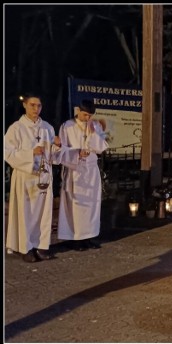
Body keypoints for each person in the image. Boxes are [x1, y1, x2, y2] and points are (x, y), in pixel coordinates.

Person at [4, 93, 63, 262]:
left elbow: (54, 157)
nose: (36, 109)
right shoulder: (16, 128)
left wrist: (57, 146)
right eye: (32, 105)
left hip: (43, 176)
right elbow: (7, 152)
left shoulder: (47, 128)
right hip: (25, 176)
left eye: (38, 106)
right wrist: (30, 153)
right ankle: (26, 248)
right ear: (25, 105)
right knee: (26, 213)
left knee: (43, 213)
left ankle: (42, 246)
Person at [57, 99, 109, 251]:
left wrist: (93, 133)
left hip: (91, 170)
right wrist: (77, 153)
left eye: (90, 115)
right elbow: (61, 150)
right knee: (75, 206)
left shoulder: (96, 126)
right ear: (78, 111)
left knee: (92, 204)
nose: (87, 118)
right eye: (85, 115)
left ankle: (89, 236)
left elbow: (101, 148)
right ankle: (75, 238)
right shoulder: (67, 126)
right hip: (75, 170)